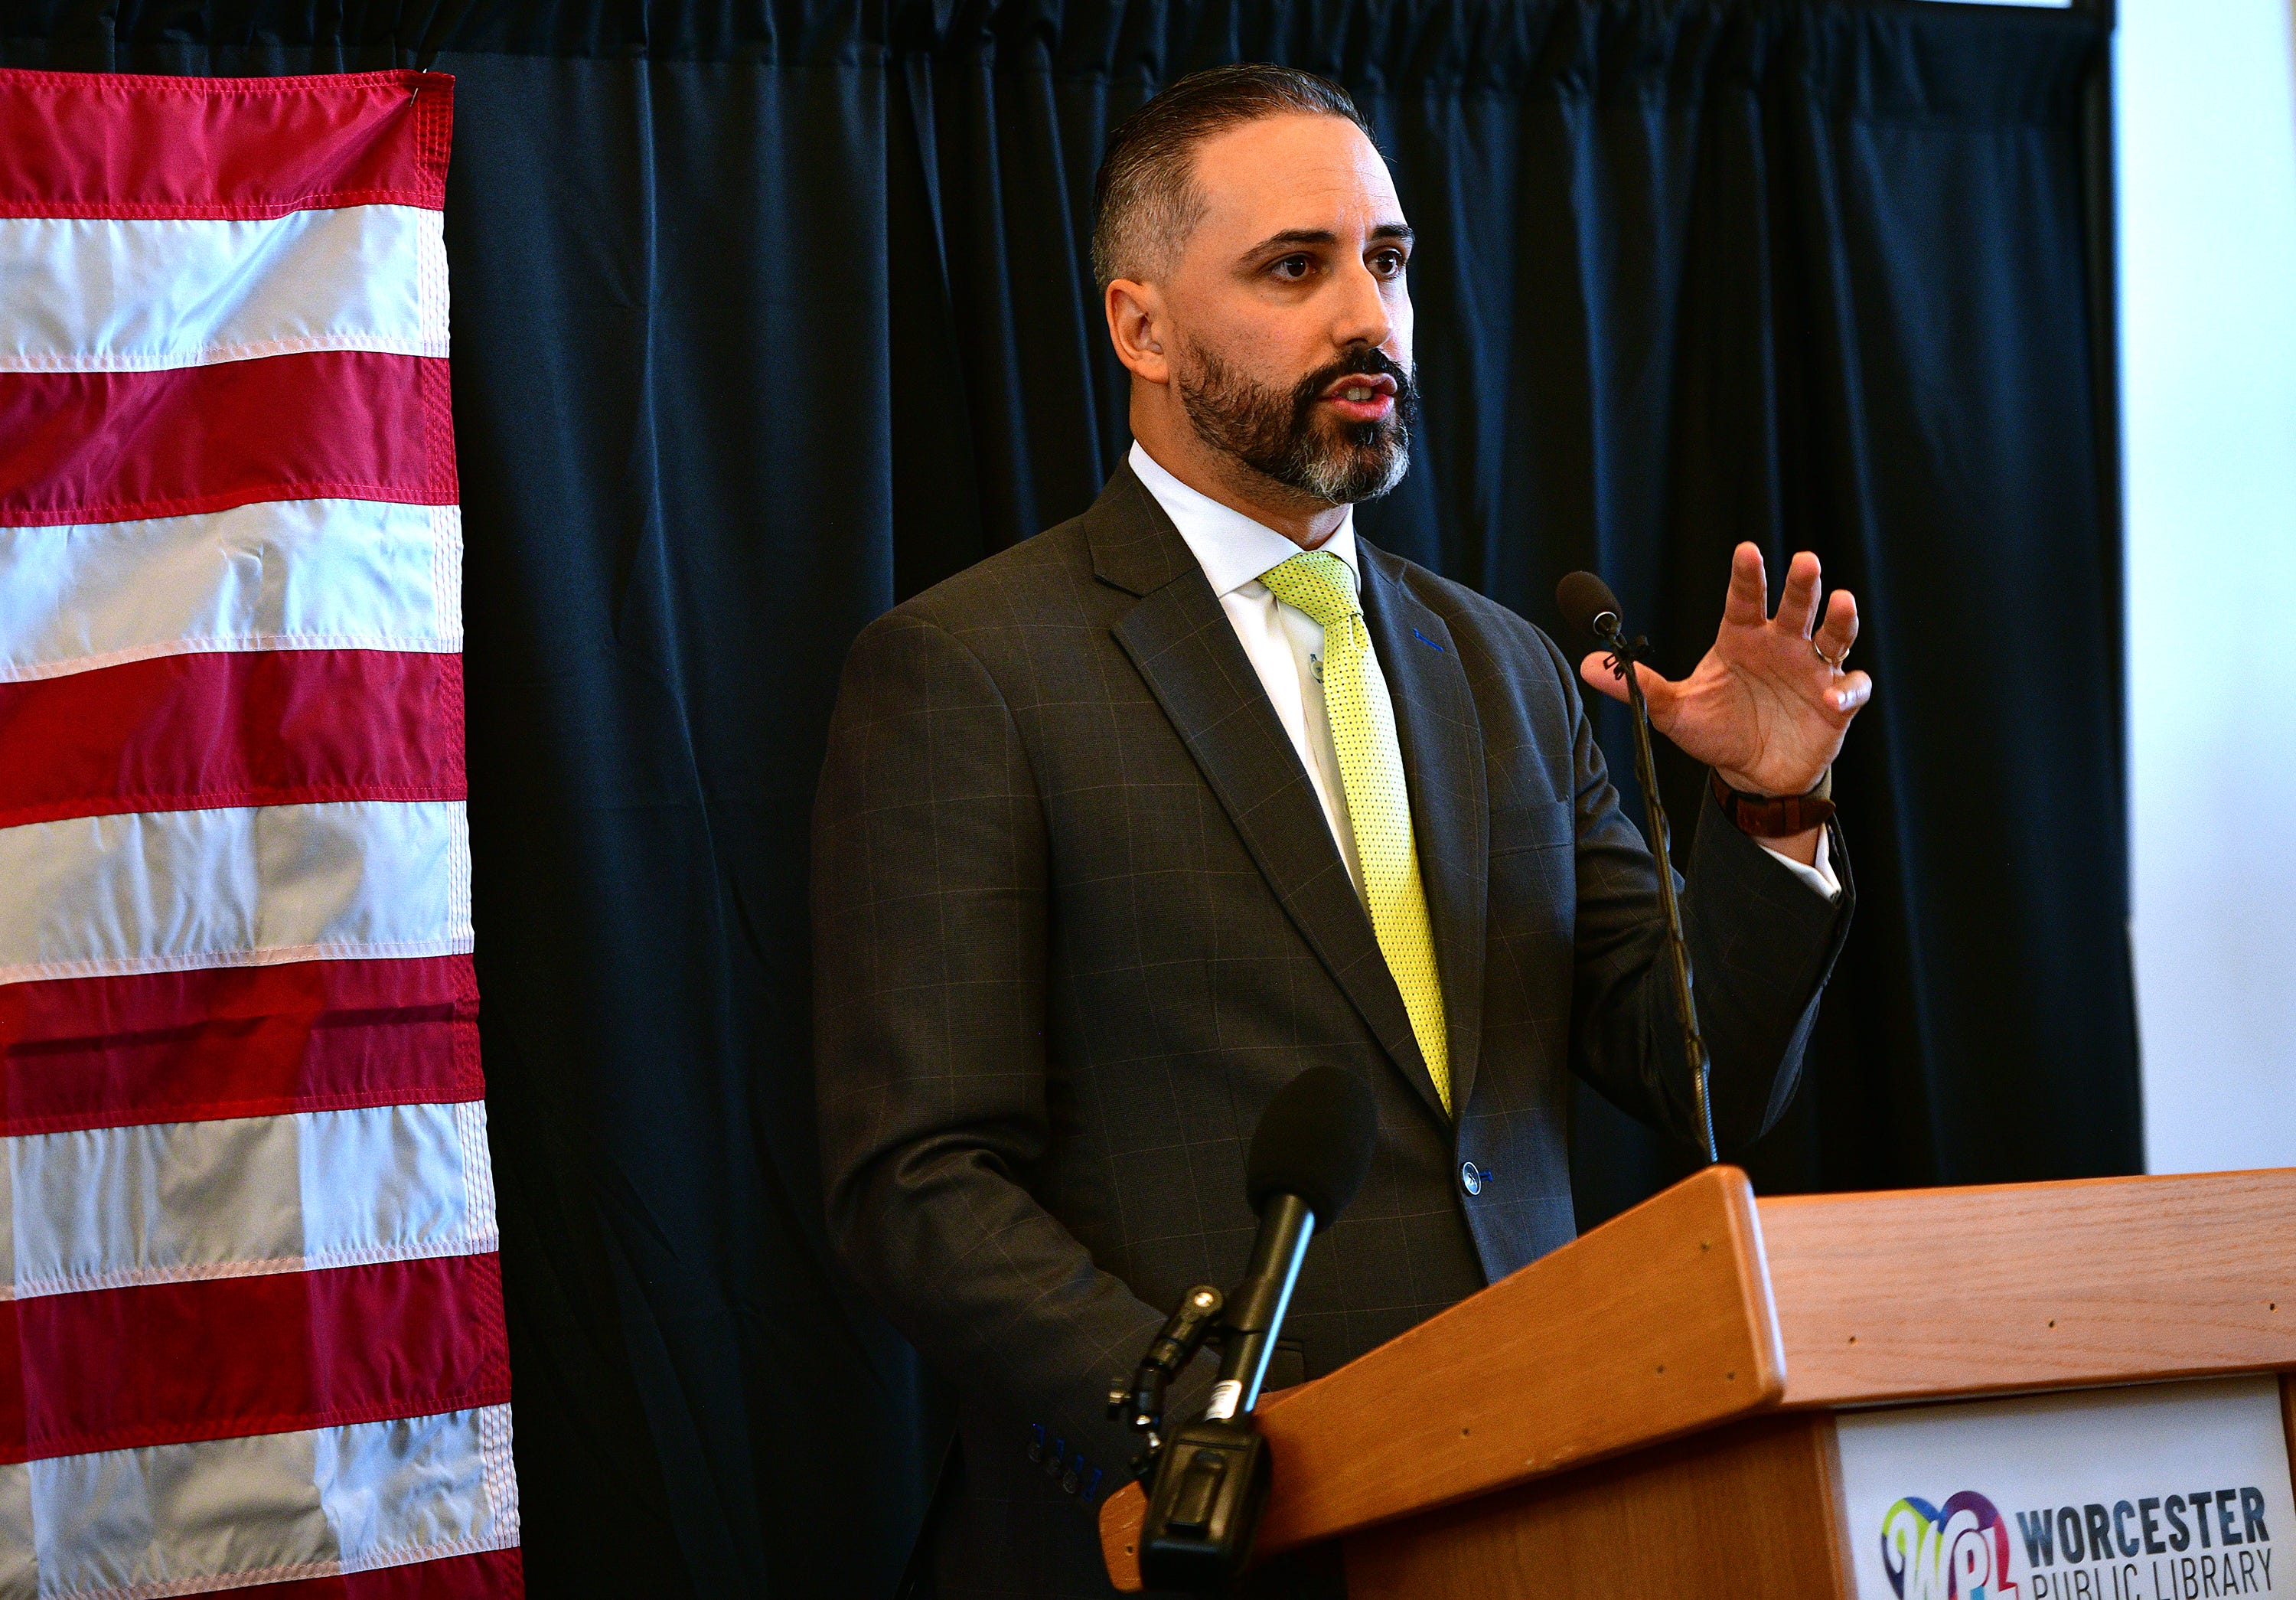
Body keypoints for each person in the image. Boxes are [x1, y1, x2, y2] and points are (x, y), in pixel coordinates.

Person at [812, 64, 1868, 1598]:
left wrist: (1772, 813)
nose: (1369, 318)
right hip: (1202, 1529)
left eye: (1387, 262)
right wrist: (1216, 1420)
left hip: (1543, 1494)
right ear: (1142, 328)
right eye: (1295, 267)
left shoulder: (1501, 664)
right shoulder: (975, 668)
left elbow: (1690, 1070)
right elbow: (918, 1179)